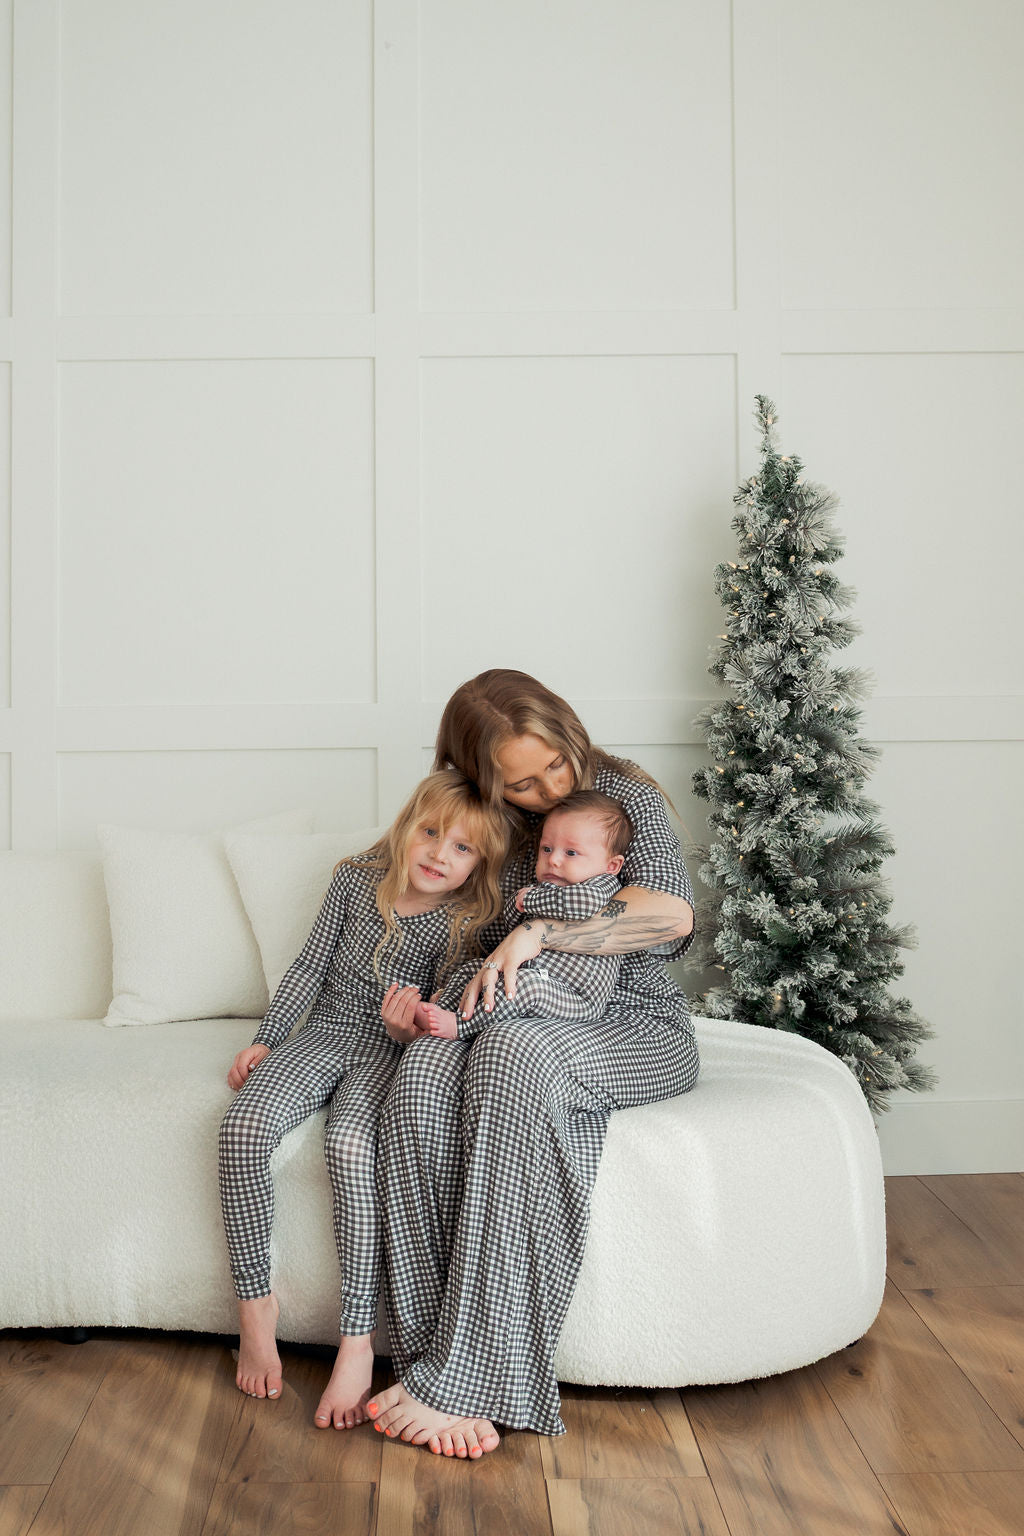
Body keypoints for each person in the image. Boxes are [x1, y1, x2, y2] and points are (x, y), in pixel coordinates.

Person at [367, 669, 699, 1459]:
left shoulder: (622, 799)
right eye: (525, 781)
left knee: (516, 1055)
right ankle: (434, 1368)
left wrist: (543, 931)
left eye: (557, 761)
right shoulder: (479, 817)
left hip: (632, 1025)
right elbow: (408, 886)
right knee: (418, 1075)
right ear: (485, 779)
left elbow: (674, 918)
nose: (553, 787)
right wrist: (406, 1004)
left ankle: (469, 1375)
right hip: (504, 1008)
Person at [217, 770, 508, 1431]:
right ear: (408, 828)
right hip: (324, 1032)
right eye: (431, 834)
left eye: (461, 849)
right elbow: (308, 970)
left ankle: (356, 1340)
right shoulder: (354, 880)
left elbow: (443, 1011)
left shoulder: (467, 919)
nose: (439, 854)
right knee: (242, 1129)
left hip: (387, 1050)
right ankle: (255, 1308)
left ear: (479, 864)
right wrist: (265, 1040)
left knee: (351, 1146)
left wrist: (410, 1029)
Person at [414, 790, 638, 1039]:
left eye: (571, 853)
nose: (553, 860)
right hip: (531, 977)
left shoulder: (601, 885)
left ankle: (461, 1027)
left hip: (576, 997)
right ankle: (444, 1004)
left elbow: (583, 905)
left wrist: (531, 898)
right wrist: (519, 903)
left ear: (612, 865)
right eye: (546, 849)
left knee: (527, 986)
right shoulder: (545, 888)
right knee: (477, 969)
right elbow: (513, 921)